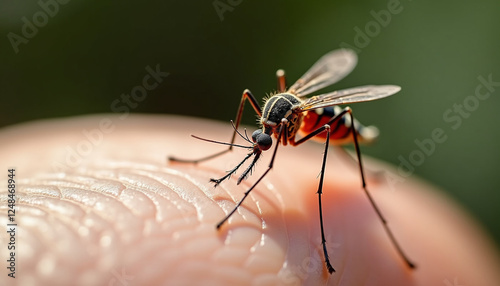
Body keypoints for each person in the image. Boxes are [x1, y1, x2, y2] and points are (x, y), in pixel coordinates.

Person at [1, 114, 499, 285]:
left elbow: (287, 146)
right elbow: (264, 142)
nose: (260, 146)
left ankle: (364, 190)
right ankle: (204, 167)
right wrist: (215, 163)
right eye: (257, 142)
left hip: (338, 126)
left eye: (259, 143)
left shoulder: (293, 128)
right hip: (301, 119)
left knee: (320, 177)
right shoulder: (267, 125)